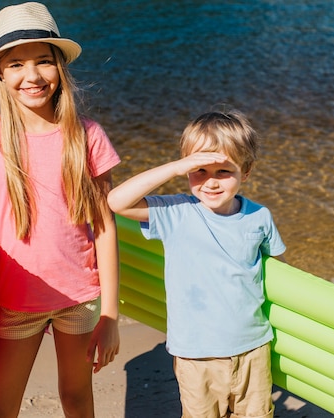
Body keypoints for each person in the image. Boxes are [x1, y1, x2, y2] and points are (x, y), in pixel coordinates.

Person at [0, 3, 120, 417]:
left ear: (59, 66)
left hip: (79, 297)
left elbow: (105, 229)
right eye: (16, 65)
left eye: (44, 61)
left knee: (77, 397)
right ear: (0, 74)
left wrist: (111, 314)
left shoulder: (86, 136)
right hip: (13, 301)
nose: (32, 76)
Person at [108, 110, 286, 418]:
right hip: (195, 354)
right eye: (199, 171)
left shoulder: (259, 217)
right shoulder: (177, 212)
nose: (211, 183)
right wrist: (176, 168)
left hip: (252, 347)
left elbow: (279, 269)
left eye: (223, 172)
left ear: (246, 170)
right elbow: (117, 201)